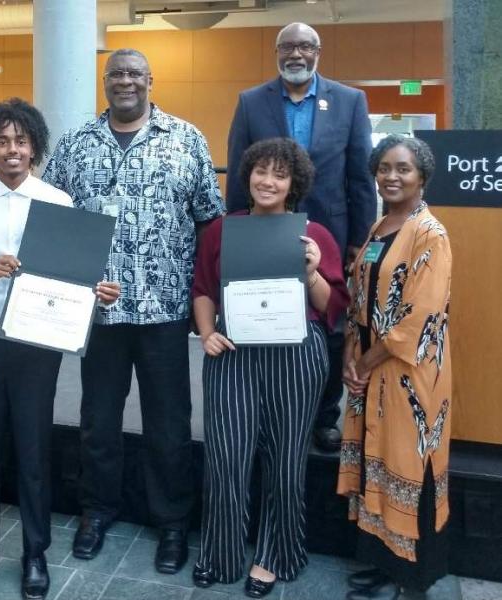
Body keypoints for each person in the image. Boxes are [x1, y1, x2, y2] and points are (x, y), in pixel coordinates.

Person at [43, 48, 224, 574]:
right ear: (105, 81)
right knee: (97, 419)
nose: (125, 82)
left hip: (164, 309)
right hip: (97, 313)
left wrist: (204, 300)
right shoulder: (76, 144)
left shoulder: (186, 139)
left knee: (169, 422)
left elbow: (208, 221)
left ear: (150, 80)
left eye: (134, 74)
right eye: (116, 74)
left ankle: (171, 523)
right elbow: (56, 222)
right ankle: (97, 511)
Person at [0, 98, 119, 600]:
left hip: (35, 345)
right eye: (2, 141)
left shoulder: (57, 201)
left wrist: (94, 290)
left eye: (21, 140)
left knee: (34, 450)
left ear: (34, 146)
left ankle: (35, 553)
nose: (12, 150)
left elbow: (73, 274)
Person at [191, 138, 349, 598]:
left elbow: (333, 307)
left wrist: (313, 272)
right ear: (248, 176)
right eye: (261, 171)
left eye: (280, 174)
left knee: (285, 459)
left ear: (293, 183)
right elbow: (203, 288)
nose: (268, 181)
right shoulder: (223, 229)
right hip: (232, 355)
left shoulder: (314, 235)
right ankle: (219, 552)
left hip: (296, 357)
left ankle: (275, 555)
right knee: (226, 457)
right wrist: (205, 333)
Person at [226, 22, 377, 452]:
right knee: (266, 314)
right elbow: (240, 172)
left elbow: (361, 177)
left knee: (328, 323)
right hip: (266, 229)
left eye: (305, 46)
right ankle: (266, 412)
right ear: (277, 52)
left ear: (318, 51)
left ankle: (324, 417)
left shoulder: (350, 101)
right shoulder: (252, 101)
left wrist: (359, 242)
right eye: (288, 46)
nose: (296, 53)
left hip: (331, 231)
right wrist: (237, 229)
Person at [338, 135, 452, 600]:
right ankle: (387, 562)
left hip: (409, 374)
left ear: (422, 176)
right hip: (370, 366)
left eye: (403, 168)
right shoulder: (380, 225)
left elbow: (421, 315)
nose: (392, 176)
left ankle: (416, 578)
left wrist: (364, 360)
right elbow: (360, 295)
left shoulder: (430, 233)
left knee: (412, 464)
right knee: (378, 463)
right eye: (384, 167)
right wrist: (351, 350)